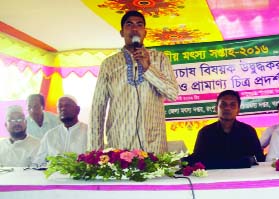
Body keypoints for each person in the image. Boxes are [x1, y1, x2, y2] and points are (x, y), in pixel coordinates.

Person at [89, 11, 179, 154]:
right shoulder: (109, 64)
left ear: (145, 32)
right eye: (129, 24)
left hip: (153, 142)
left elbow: (173, 93)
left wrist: (148, 67)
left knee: (155, 176)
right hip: (120, 142)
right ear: (122, 32)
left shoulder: (160, 58)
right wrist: (94, 151)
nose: (134, 28)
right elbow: (98, 108)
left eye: (139, 24)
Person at [184, 90, 265, 169]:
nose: (227, 108)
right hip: (213, 178)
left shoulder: (248, 131)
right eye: (223, 104)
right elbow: (197, 159)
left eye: (232, 105)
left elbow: (259, 159)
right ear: (216, 108)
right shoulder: (205, 132)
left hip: (243, 178)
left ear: (238, 110)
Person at [33, 95, 87, 166]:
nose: (63, 108)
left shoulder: (88, 132)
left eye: (67, 105)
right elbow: (38, 162)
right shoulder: (50, 135)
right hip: (54, 176)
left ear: (78, 109)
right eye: (60, 106)